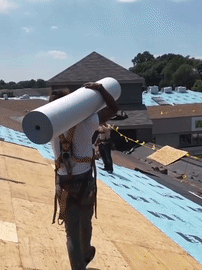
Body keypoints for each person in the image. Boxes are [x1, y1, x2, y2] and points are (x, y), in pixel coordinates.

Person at [50, 82, 119, 270]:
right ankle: (86, 251)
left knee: (71, 233)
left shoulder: (49, 126)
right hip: (85, 181)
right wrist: (101, 89)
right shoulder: (87, 121)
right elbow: (113, 108)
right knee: (85, 222)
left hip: (64, 182)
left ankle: (79, 265)